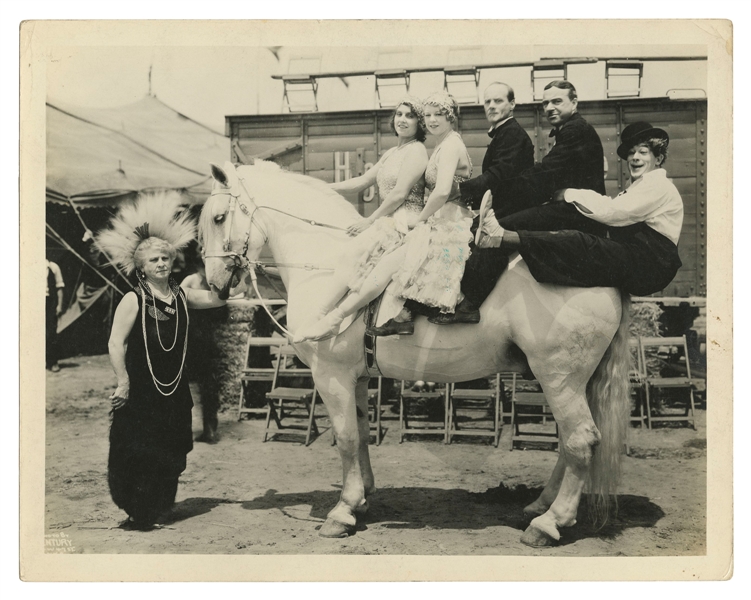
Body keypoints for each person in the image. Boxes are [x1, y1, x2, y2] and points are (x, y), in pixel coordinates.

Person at [294, 92, 474, 342]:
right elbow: (363, 181)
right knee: (351, 258)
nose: (402, 120)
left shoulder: (420, 150)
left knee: (372, 265)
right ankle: (322, 316)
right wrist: (325, 187)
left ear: (420, 123)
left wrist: (373, 220)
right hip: (404, 218)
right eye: (399, 114)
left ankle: (333, 318)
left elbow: (403, 193)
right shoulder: (394, 152)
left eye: (411, 116)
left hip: (410, 218)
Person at [96, 193, 226, 530]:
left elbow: (216, 298)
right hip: (140, 392)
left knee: (170, 452)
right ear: (141, 266)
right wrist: (123, 381)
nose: (161, 265)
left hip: (173, 392)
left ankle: (157, 506)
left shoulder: (183, 296)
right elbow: (115, 342)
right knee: (139, 452)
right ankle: (140, 510)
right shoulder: (132, 299)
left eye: (166, 259)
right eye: (154, 260)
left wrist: (231, 271)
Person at [448, 122, 683, 305]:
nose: (635, 158)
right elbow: (608, 203)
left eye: (643, 152)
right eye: (631, 153)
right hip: (641, 256)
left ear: (658, 158)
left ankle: (500, 237)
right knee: (572, 245)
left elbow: (614, 213)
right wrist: (568, 194)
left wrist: (569, 193)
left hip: (649, 262)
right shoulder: (641, 187)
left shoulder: (658, 186)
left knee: (577, 241)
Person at [434, 79, 608, 324]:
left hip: (575, 212)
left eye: (557, 101)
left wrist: (479, 194)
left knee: (497, 230)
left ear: (574, 102)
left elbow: (544, 173)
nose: (549, 108)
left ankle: (471, 302)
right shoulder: (569, 130)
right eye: (546, 103)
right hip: (568, 206)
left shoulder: (575, 130)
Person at [457, 82, 534, 209]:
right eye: (487, 102)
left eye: (498, 101)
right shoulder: (505, 131)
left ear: (512, 104)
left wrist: (459, 190)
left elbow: (496, 177)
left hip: (511, 211)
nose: (491, 106)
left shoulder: (512, 133)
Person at [181, 250, 229, 444]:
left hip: (201, 337)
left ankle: (208, 430)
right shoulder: (193, 280)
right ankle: (199, 429)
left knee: (205, 386)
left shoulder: (211, 280)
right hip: (196, 336)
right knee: (198, 386)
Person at [46, 259, 65, 372]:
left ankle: (53, 362)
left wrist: (59, 305)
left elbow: (60, 287)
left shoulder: (53, 267)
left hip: (50, 302)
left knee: (51, 332)